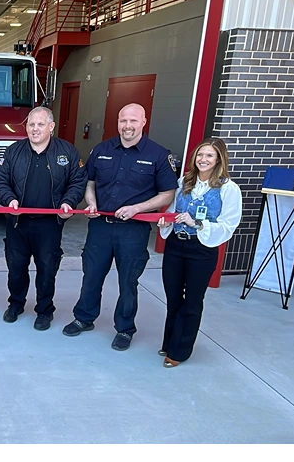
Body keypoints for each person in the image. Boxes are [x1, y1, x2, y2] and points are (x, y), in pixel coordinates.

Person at [63, 102, 178, 351]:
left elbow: (167, 194)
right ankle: (84, 317)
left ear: (143, 122)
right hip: (100, 228)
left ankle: (124, 329)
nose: (127, 126)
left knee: (128, 281)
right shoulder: (101, 150)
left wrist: (138, 208)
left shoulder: (158, 155)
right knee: (91, 276)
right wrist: (91, 203)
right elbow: (89, 182)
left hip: (133, 230)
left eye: (133, 121)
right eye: (123, 120)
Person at [0, 105, 87, 331]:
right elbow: (0, 181)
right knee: (16, 268)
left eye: (40, 124)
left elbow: (77, 182)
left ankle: (44, 310)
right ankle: (16, 304)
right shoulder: (13, 152)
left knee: (47, 268)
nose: (35, 129)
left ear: (51, 127)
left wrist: (68, 202)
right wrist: (9, 200)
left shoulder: (68, 152)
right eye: (31, 124)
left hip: (49, 225)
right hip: (17, 223)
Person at [156, 138, 242, 367]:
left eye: (209, 156)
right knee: (173, 297)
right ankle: (170, 341)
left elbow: (228, 225)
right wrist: (166, 222)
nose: (203, 160)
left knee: (193, 300)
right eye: (200, 155)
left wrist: (198, 224)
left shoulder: (228, 189)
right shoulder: (184, 181)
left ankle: (179, 351)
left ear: (219, 160)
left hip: (201, 250)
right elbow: (174, 212)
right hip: (176, 245)